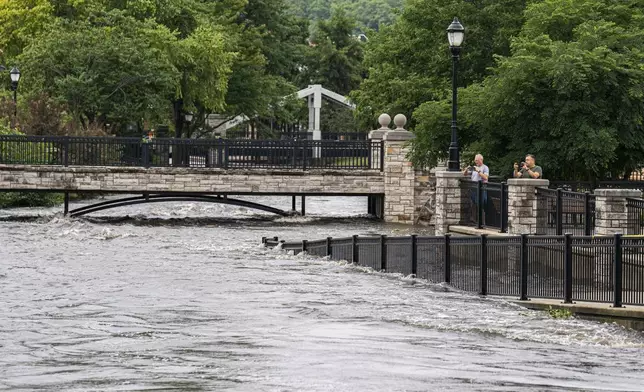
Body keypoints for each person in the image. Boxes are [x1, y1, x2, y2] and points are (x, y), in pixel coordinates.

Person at [463, 154, 489, 224]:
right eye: (475, 160)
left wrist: (478, 171)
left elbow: (486, 177)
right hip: (474, 188)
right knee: (473, 204)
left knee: (481, 205)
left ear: (481, 160)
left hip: (481, 188)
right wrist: (466, 169)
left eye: (477, 160)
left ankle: (482, 223)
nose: (476, 162)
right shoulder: (474, 168)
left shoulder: (485, 167)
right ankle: (474, 221)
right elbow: (465, 174)